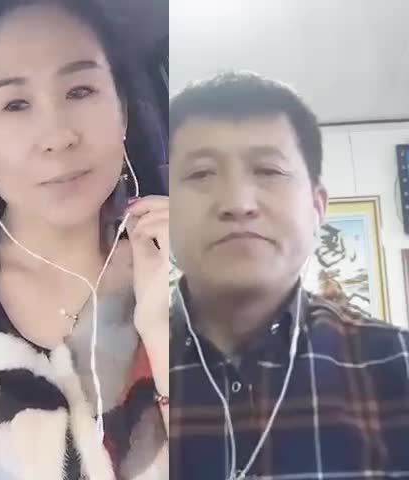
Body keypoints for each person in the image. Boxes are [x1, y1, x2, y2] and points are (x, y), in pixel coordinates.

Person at [0, 1, 169, 479]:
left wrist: (165, 332)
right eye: (15, 104)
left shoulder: (188, 273)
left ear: (121, 113)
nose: (58, 136)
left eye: (80, 90)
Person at [169, 72, 409, 480]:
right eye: (201, 174)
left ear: (317, 208)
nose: (238, 203)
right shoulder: (108, 368)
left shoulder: (398, 365)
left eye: (268, 170)